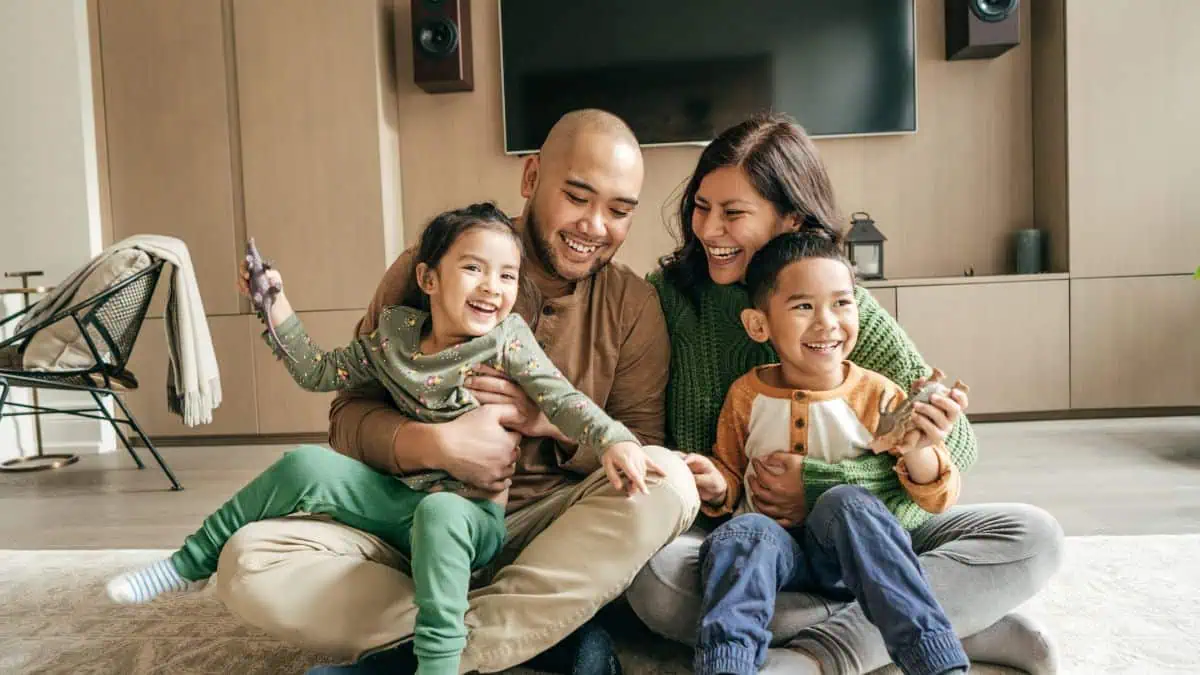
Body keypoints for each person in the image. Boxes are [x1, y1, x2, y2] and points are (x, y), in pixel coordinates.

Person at [211, 109, 700, 675]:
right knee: (247, 565)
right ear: (531, 178)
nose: (594, 225)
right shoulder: (437, 264)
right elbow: (346, 415)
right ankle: (535, 637)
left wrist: (546, 423)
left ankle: (407, 660)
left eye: (618, 211)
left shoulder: (633, 306)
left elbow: (641, 445)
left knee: (670, 483)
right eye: (578, 197)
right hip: (410, 525)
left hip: (545, 536)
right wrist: (435, 446)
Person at [104, 203, 664, 675]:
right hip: (399, 506)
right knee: (303, 465)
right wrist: (274, 304)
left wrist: (614, 439)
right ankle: (185, 565)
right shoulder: (393, 337)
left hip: (471, 520)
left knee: (442, 513)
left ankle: (438, 663)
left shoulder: (507, 342)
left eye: (508, 276)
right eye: (473, 269)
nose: (493, 288)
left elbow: (563, 398)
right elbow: (320, 373)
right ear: (428, 279)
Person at [628, 111, 1064, 674]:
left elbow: (957, 452)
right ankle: (960, 621)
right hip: (744, 538)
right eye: (701, 207)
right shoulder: (669, 299)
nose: (708, 230)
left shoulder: (843, 309)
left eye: (733, 214)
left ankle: (816, 659)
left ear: (790, 221)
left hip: (863, 529)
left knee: (1034, 536)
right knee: (655, 586)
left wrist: (821, 486)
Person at [689, 229, 969, 675]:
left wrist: (923, 449)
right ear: (758, 325)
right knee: (744, 534)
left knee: (848, 504)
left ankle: (935, 660)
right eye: (803, 306)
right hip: (776, 560)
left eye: (842, 303)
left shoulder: (878, 394)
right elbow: (730, 473)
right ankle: (728, 666)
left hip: (854, 556)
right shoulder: (746, 395)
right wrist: (713, 482)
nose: (827, 323)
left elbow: (937, 497)